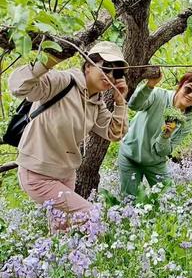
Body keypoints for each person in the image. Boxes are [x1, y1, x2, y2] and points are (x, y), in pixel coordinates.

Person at [8, 41, 129, 231]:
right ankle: (98, 258)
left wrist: (120, 102)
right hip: (38, 174)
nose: (111, 77)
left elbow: (115, 133)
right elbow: (17, 86)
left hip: (65, 175)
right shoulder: (63, 82)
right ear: (88, 66)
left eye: (118, 73)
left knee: (61, 232)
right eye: (107, 68)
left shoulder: (96, 103)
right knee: (92, 217)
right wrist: (47, 61)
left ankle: (53, 261)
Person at [118, 71, 192, 196]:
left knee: (169, 199)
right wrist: (149, 85)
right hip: (130, 156)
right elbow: (134, 105)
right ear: (180, 85)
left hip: (155, 163)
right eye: (188, 89)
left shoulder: (186, 123)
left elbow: (163, 151)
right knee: (129, 200)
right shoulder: (158, 95)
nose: (191, 95)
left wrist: (165, 136)